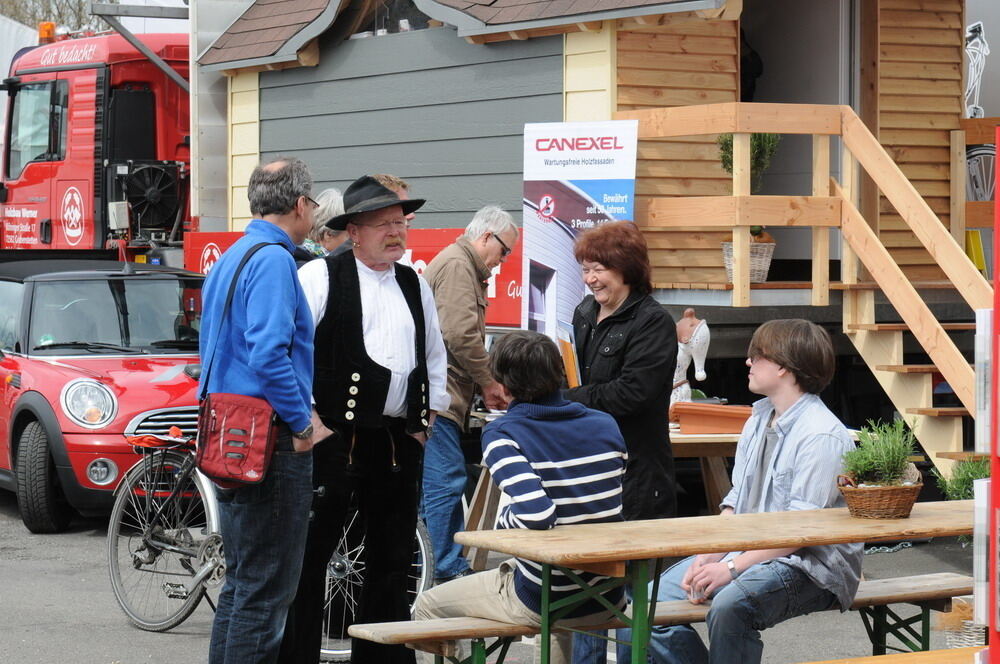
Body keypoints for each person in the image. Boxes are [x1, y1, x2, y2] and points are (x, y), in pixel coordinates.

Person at [280, 174, 449, 664]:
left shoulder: (414, 282)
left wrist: (426, 420)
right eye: (383, 224)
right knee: (310, 562)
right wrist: (308, 419)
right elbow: (287, 354)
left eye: (400, 222)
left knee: (392, 562)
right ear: (353, 230)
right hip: (333, 438)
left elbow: (434, 356)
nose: (396, 232)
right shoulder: (319, 276)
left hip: (398, 440)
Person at [627, 318, 862, 664]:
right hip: (751, 549)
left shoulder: (821, 435)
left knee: (730, 607)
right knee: (643, 607)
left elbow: (799, 532)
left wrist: (731, 568)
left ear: (783, 366)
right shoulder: (757, 419)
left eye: (757, 355)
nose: (748, 362)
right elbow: (736, 503)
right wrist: (708, 554)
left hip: (812, 566)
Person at [413, 330, 627, 664]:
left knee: (427, 605)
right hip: (607, 595)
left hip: (544, 596)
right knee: (543, 587)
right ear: (559, 372)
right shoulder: (605, 423)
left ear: (504, 385)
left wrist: (503, 520)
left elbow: (538, 516)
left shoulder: (503, 433)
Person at [199, 156, 331, 664]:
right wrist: (301, 421)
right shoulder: (275, 259)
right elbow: (269, 352)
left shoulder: (234, 254)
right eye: (313, 204)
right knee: (266, 594)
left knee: (243, 585)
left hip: (227, 432)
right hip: (268, 440)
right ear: (301, 205)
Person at [565, 220, 678, 663]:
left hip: (637, 475)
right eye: (585, 269)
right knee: (585, 589)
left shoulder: (653, 322)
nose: (589, 279)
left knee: (635, 593)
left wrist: (569, 398)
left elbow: (632, 394)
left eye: (597, 269)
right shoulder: (583, 313)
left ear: (626, 268)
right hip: (588, 474)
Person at [421, 204, 518, 583]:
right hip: (440, 397)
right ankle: (447, 568)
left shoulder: (462, 265)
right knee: (445, 482)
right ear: (485, 238)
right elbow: (459, 335)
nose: (503, 260)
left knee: (436, 487)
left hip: (441, 396)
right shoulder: (460, 266)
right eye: (504, 250)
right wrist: (489, 382)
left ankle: (432, 562)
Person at [308, 187, 350, 256]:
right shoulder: (321, 265)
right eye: (349, 237)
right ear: (328, 235)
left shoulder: (302, 254)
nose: (355, 241)